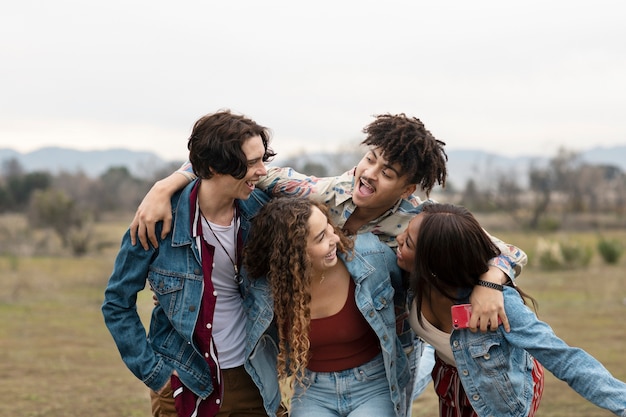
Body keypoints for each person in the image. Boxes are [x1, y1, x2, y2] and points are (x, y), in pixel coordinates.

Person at [101, 109, 285, 417]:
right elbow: (117, 302)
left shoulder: (264, 213)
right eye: (251, 163)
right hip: (183, 381)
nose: (262, 171)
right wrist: (156, 374)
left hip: (252, 379)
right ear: (214, 167)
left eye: (262, 159)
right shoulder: (158, 220)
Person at [400, 203, 626, 417]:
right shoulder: (410, 279)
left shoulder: (499, 304)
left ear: (434, 262)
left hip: (502, 385)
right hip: (449, 381)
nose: (398, 240)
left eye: (408, 242)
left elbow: (564, 358)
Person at [242, 196, 410, 417]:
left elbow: (407, 293)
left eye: (329, 226)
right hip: (312, 390)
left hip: (373, 384)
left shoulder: (370, 256)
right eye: (321, 237)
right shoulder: (269, 289)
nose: (334, 238)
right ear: (294, 253)